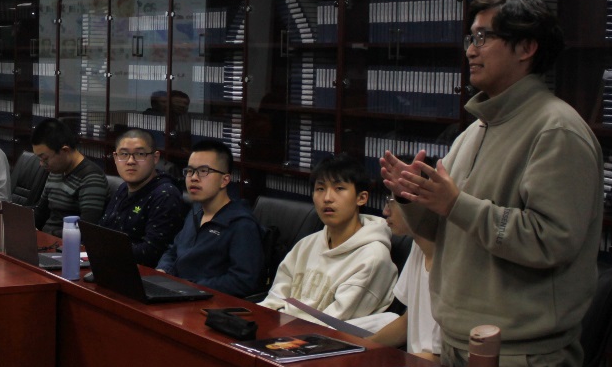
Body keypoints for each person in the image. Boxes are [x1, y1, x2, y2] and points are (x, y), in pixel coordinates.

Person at [381, 0, 603, 367]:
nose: (471, 50)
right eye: (470, 38)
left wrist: (455, 203)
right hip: (455, 342)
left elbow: (551, 241)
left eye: (483, 37)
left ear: (526, 48)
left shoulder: (556, 130)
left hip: (517, 357)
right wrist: (412, 198)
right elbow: (441, 230)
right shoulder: (476, 130)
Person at [259, 154, 396, 321]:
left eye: (339, 188)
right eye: (320, 189)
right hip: (280, 328)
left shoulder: (373, 258)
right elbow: (274, 300)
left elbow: (335, 322)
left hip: (325, 335)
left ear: (361, 198)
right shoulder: (306, 244)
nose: (327, 198)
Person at [157, 139, 263, 298]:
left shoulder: (241, 224)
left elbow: (243, 281)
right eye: (190, 171)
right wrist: (163, 271)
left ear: (224, 180)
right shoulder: (196, 210)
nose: (194, 178)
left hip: (206, 301)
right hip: (178, 293)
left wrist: (190, 287)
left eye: (203, 171)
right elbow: (174, 250)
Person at [99, 129, 186, 267]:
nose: (130, 161)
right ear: (115, 157)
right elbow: (103, 229)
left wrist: (104, 250)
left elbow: (152, 251)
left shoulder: (165, 194)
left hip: (144, 272)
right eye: (124, 154)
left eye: (140, 154)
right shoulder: (123, 188)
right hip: (114, 264)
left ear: (155, 158)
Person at [370, 197, 441, 361]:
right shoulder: (418, 246)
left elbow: (445, 359)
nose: (385, 211)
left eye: (392, 201)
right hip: (415, 365)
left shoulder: (453, 261)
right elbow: (406, 323)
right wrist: (360, 348)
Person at [30, 118, 107, 236]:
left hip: (66, 243)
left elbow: (86, 231)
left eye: (45, 158)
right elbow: (41, 213)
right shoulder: (56, 171)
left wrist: (48, 235)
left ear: (65, 150)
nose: (41, 164)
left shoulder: (92, 178)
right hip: (46, 239)